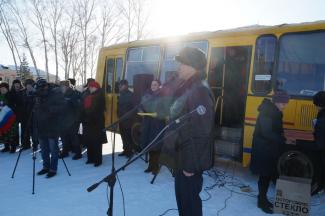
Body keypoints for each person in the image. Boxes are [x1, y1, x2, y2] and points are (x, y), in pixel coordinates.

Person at [160, 47, 215, 216]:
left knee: (189, 204)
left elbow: (202, 131)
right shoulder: (190, 88)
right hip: (183, 156)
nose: (178, 67)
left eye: (182, 64)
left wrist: (190, 165)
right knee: (184, 203)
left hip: (189, 161)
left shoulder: (199, 90)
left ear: (193, 66)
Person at [250, 91, 290, 214]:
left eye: (285, 103)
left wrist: (283, 136)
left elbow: (276, 129)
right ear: (276, 101)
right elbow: (267, 132)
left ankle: (263, 199)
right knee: (265, 175)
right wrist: (283, 139)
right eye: (282, 103)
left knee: (268, 174)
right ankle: (261, 201)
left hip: (269, 148)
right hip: (263, 148)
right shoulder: (267, 111)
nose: (284, 106)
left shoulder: (276, 111)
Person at [34, 79, 64, 178]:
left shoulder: (55, 93)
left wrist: (47, 107)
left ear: (46, 86)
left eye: (41, 88)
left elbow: (61, 108)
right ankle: (45, 167)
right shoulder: (38, 96)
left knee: (53, 150)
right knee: (44, 149)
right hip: (41, 126)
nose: (40, 90)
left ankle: (53, 169)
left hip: (52, 126)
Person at [139, 79, 165, 175]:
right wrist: (140, 110)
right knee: (149, 145)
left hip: (157, 123)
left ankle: (156, 167)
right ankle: (150, 166)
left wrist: (158, 114)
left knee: (156, 145)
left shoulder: (163, 96)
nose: (153, 86)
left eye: (155, 84)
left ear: (159, 86)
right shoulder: (146, 95)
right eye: (152, 84)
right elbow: (141, 105)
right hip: (148, 123)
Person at [81, 80, 106, 167]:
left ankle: (98, 160)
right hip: (88, 123)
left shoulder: (100, 96)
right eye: (89, 87)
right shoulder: (88, 95)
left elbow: (98, 110)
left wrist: (90, 117)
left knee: (97, 142)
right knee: (89, 141)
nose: (90, 88)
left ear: (96, 87)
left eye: (92, 87)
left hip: (96, 123)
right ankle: (90, 158)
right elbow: (84, 108)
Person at [59, 80, 82, 160]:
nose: (61, 88)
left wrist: (76, 120)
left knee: (74, 137)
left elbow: (78, 108)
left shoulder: (73, 94)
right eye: (61, 87)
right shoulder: (61, 95)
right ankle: (65, 152)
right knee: (64, 137)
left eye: (63, 86)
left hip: (72, 121)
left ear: (67, 86)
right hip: (63, 120)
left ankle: (78, 152)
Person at [117, 79, 135, 158]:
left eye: (121, 85)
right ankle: (125, 149)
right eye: (119, 85)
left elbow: (133, 107)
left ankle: (130, 151)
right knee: (123, 135)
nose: (119, 87)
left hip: (128, 119)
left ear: (126, 85)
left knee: (128, 135)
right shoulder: (121, 95)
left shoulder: (131, 95)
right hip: (121, 118)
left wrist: (129, 116)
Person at [0, 82, 18, 153]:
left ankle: (13, 147)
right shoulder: (0, 96)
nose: (2, 90)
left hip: (11, 117)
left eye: (3, 88)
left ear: (7, 89)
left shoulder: (11, 95)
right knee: (4, 132)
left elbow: (14, 105)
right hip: (2, 117)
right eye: (1, 89)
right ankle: (6, 146)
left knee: (11, 132)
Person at [312, 91, 325, 190]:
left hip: (321, 146)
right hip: (321, 144)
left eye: (317, 105)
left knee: (320, 166)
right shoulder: (321, 113)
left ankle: (320, 186)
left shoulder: (322, 116)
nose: (316, 107)